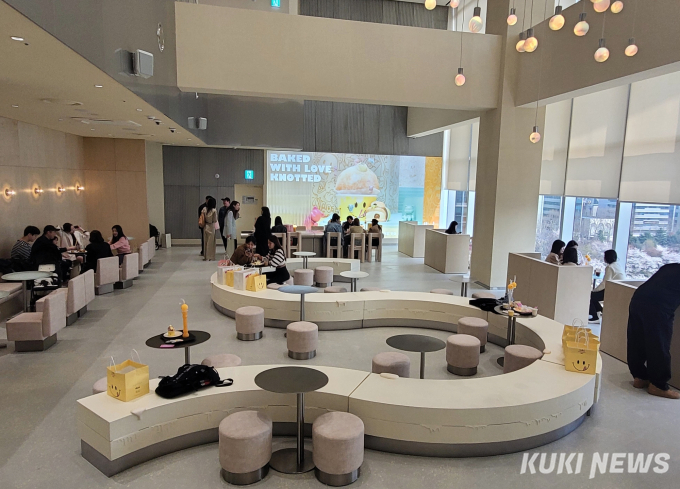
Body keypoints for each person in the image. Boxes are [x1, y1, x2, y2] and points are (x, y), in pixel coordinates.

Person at [627, 263, 680, 399]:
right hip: (658, 306)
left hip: (638, 299)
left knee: (637, 340)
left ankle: (640, 377)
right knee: (658, 344)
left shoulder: (670, 267)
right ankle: (658, 385)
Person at [589, 249, 626, 321]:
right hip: (619, 290)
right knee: (593, 296)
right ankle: (601, 312)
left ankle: (595, 316)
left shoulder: (610, 267)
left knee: (590, 296)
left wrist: (594, 290)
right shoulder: (618, 265)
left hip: (612, 291)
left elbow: (605, 283)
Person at [202, 197, 218, 261]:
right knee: (211, 243)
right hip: (211, 226)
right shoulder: (214, 210)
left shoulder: (204, 209)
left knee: (205, 242)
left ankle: (206, 256)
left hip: (205, 226)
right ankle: (210, 256)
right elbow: (215, 220)